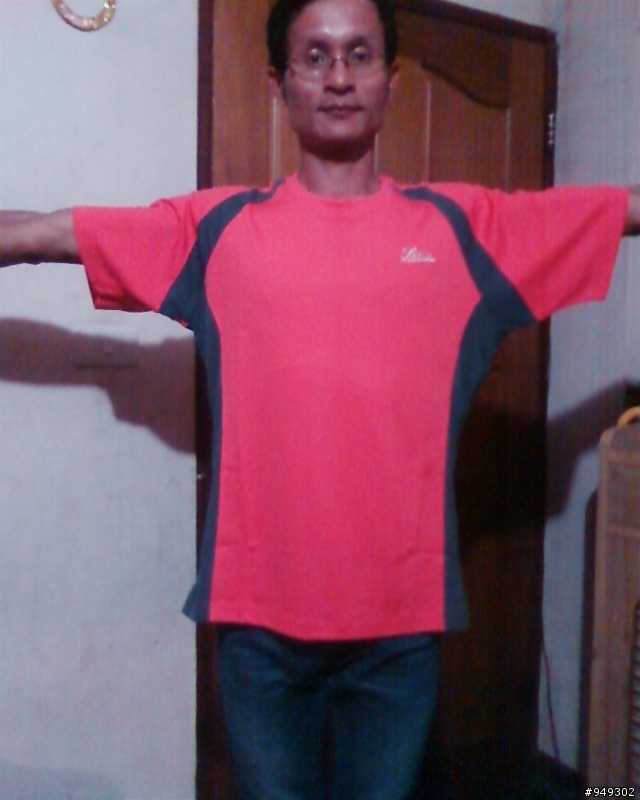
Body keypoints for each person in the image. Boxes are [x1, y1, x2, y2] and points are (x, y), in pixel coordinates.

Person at [2, 0, 640, 797]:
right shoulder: (218, 230)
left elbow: (623, 210)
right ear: (280, 85)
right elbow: (43, 234)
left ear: (390, 80)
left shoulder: (464, 229)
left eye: (359, 54)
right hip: (258, 632)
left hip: (400, 635)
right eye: (315, 56)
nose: (338, 76)